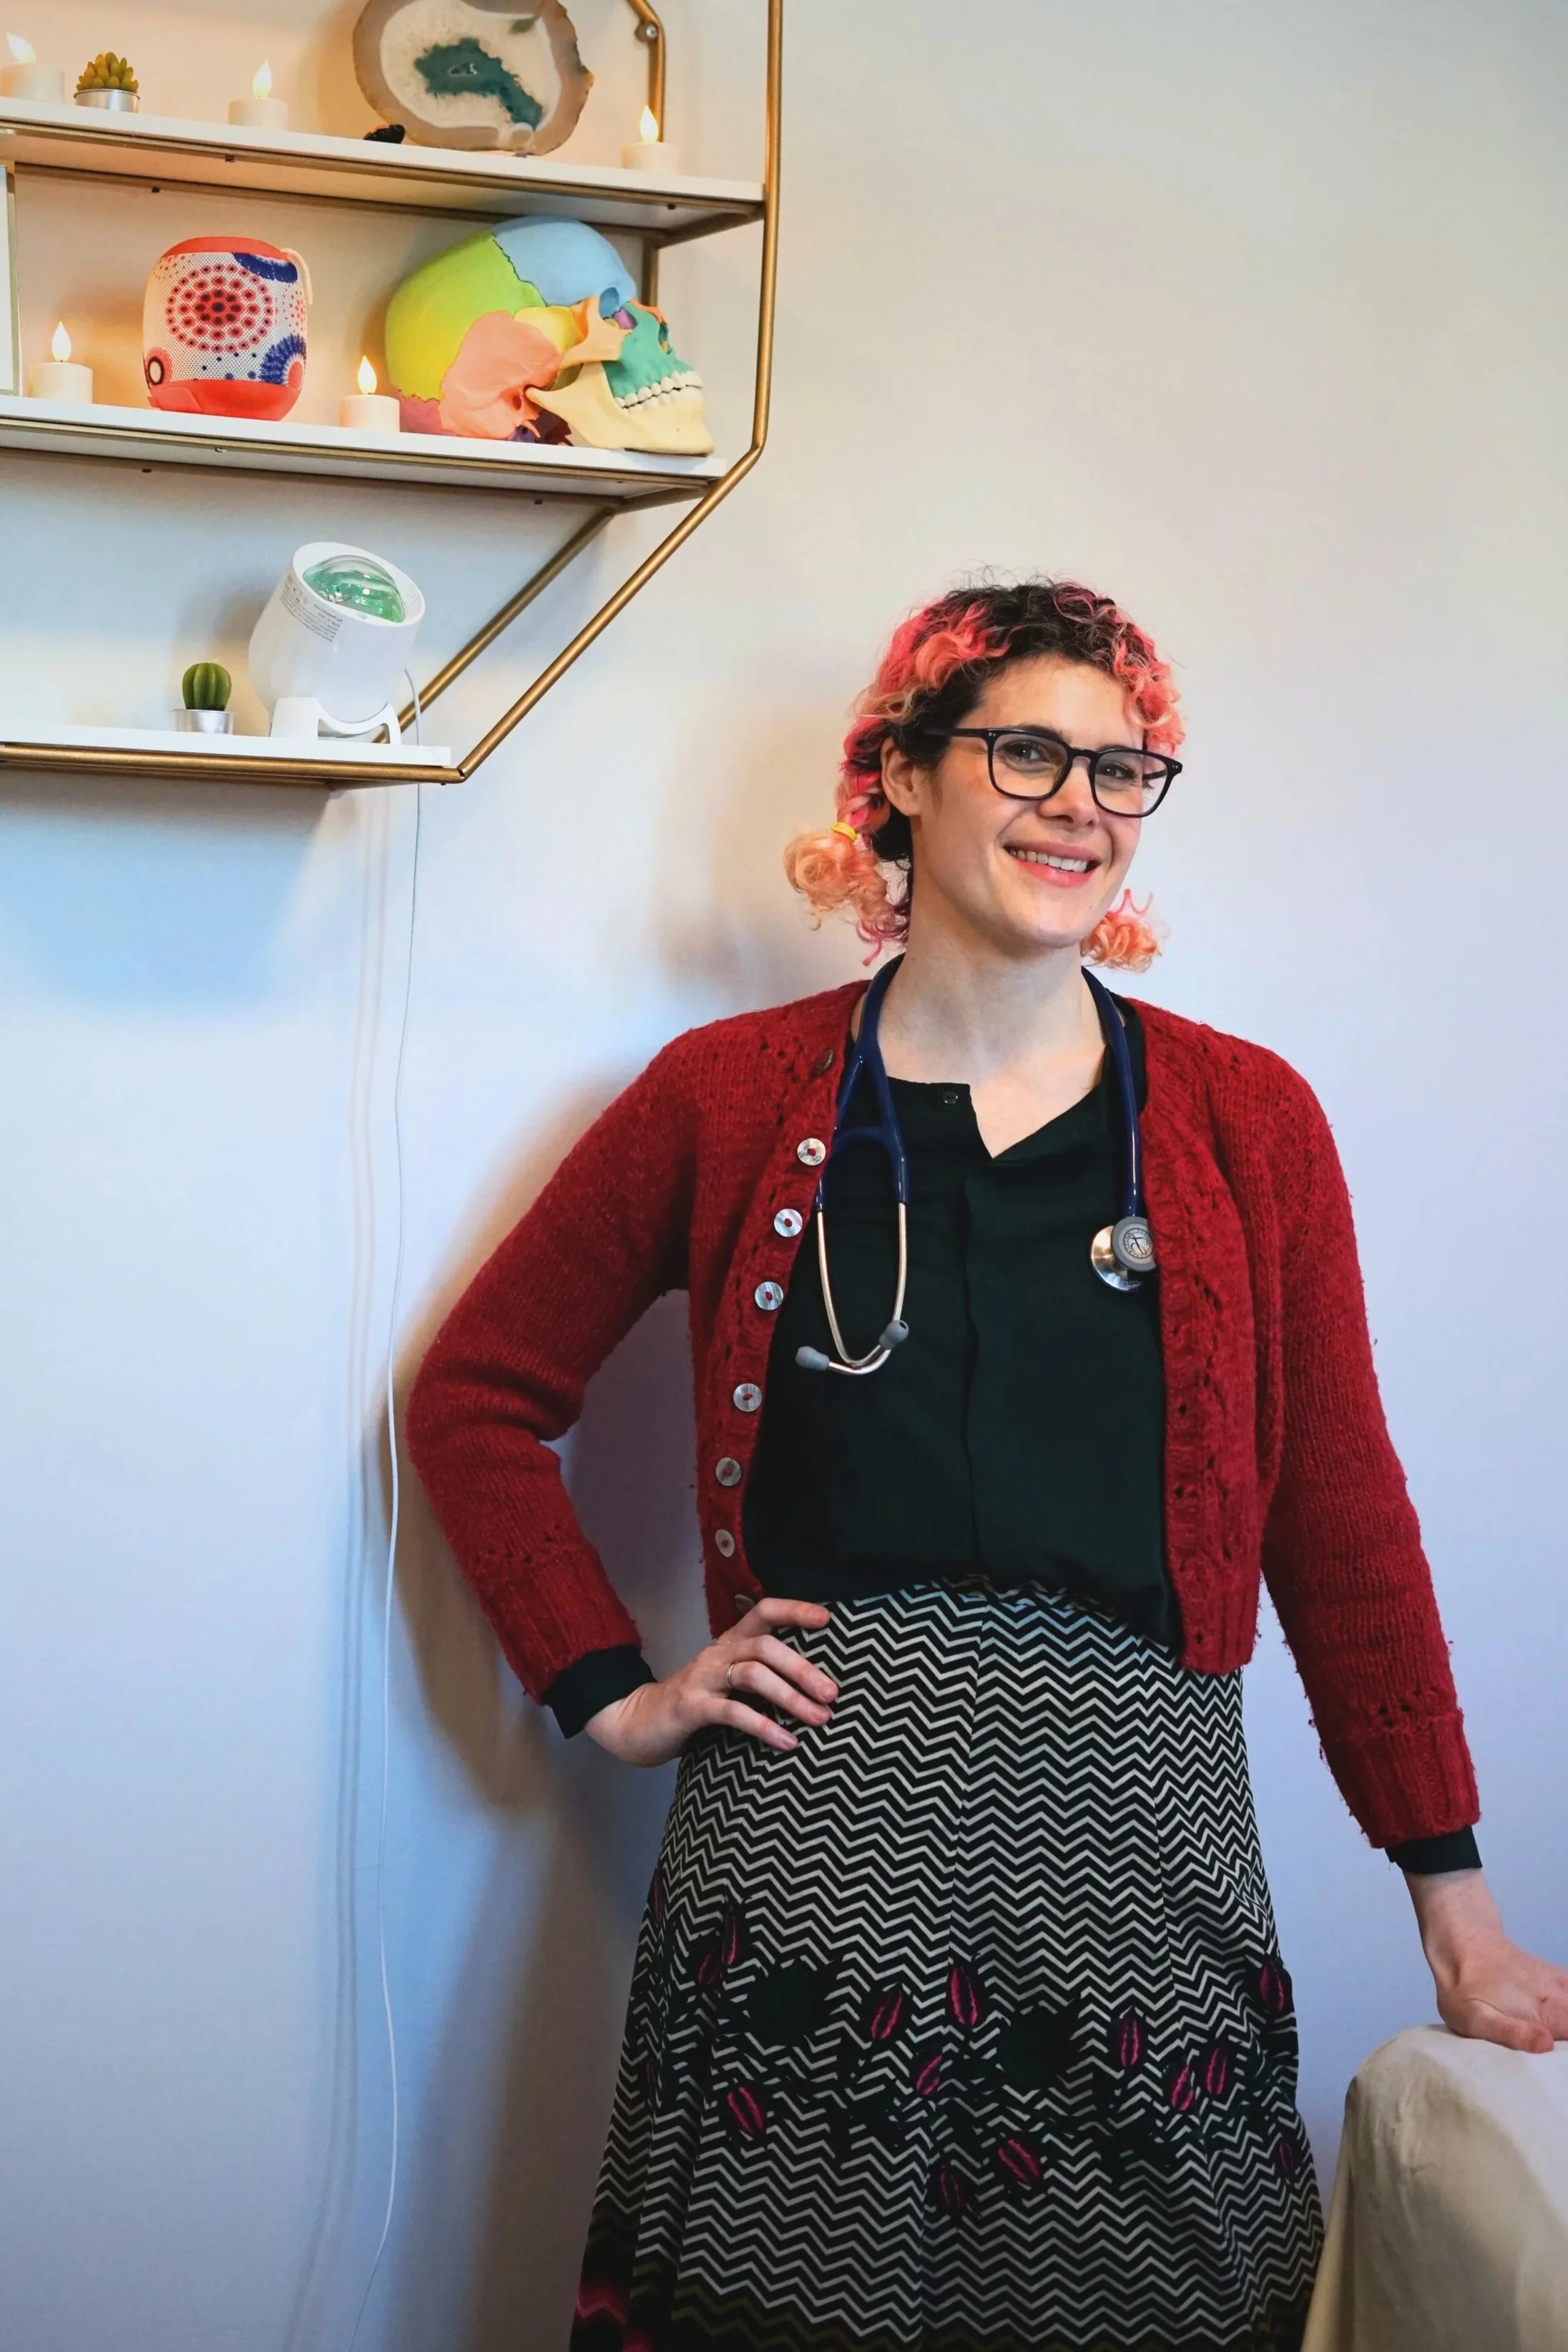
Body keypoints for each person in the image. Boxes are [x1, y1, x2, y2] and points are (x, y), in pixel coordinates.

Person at [406, 578, 1568, 2352]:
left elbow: (1338, 1516)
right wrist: (606, 1689)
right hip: (808, 1841)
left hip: (1139, 1832)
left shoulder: (1245, 1122)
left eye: (1123, 767)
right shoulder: (724, 1096)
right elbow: (475, 1395)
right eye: (1027, 750)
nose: (1080, 801)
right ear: (899, 779)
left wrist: (1458, 1915)